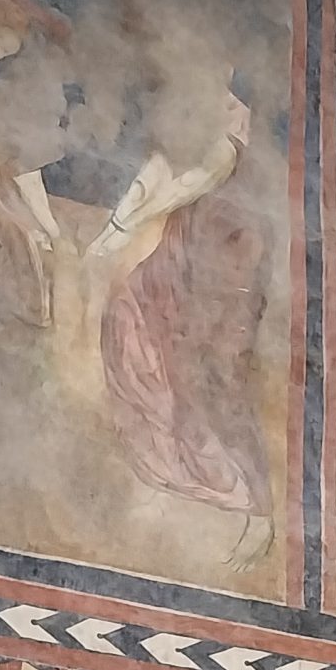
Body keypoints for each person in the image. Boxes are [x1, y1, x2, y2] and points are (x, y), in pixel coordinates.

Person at [90, 86, 276, 569]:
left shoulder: (228, 139)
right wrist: (112, 234)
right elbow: (154, 176)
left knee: (214, 379)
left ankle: (254, 507)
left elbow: (189, 183)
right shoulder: (188, 122)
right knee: (131, 328)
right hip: (180, 257)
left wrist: (125, 231)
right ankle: (169, 466)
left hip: (222, 263)